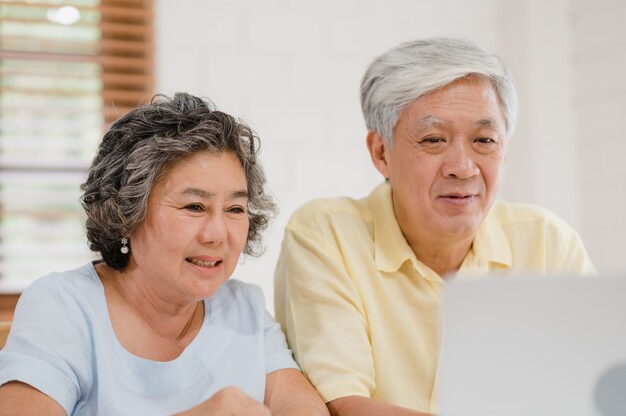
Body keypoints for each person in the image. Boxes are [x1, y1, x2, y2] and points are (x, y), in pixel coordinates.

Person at [274, 37, 596, 416]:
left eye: (484, 140)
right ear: (381, 153)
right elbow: (342, 405)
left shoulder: (548, 243)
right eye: (433, 139)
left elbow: (592, 390)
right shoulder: (325, 236)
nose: (462, 166)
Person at [0, 93, 329, 416]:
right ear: (127, 212)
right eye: (194, 206)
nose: (217, 234)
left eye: (234, 208)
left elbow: (300, 404)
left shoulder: (245, 309)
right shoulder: (65, 306)